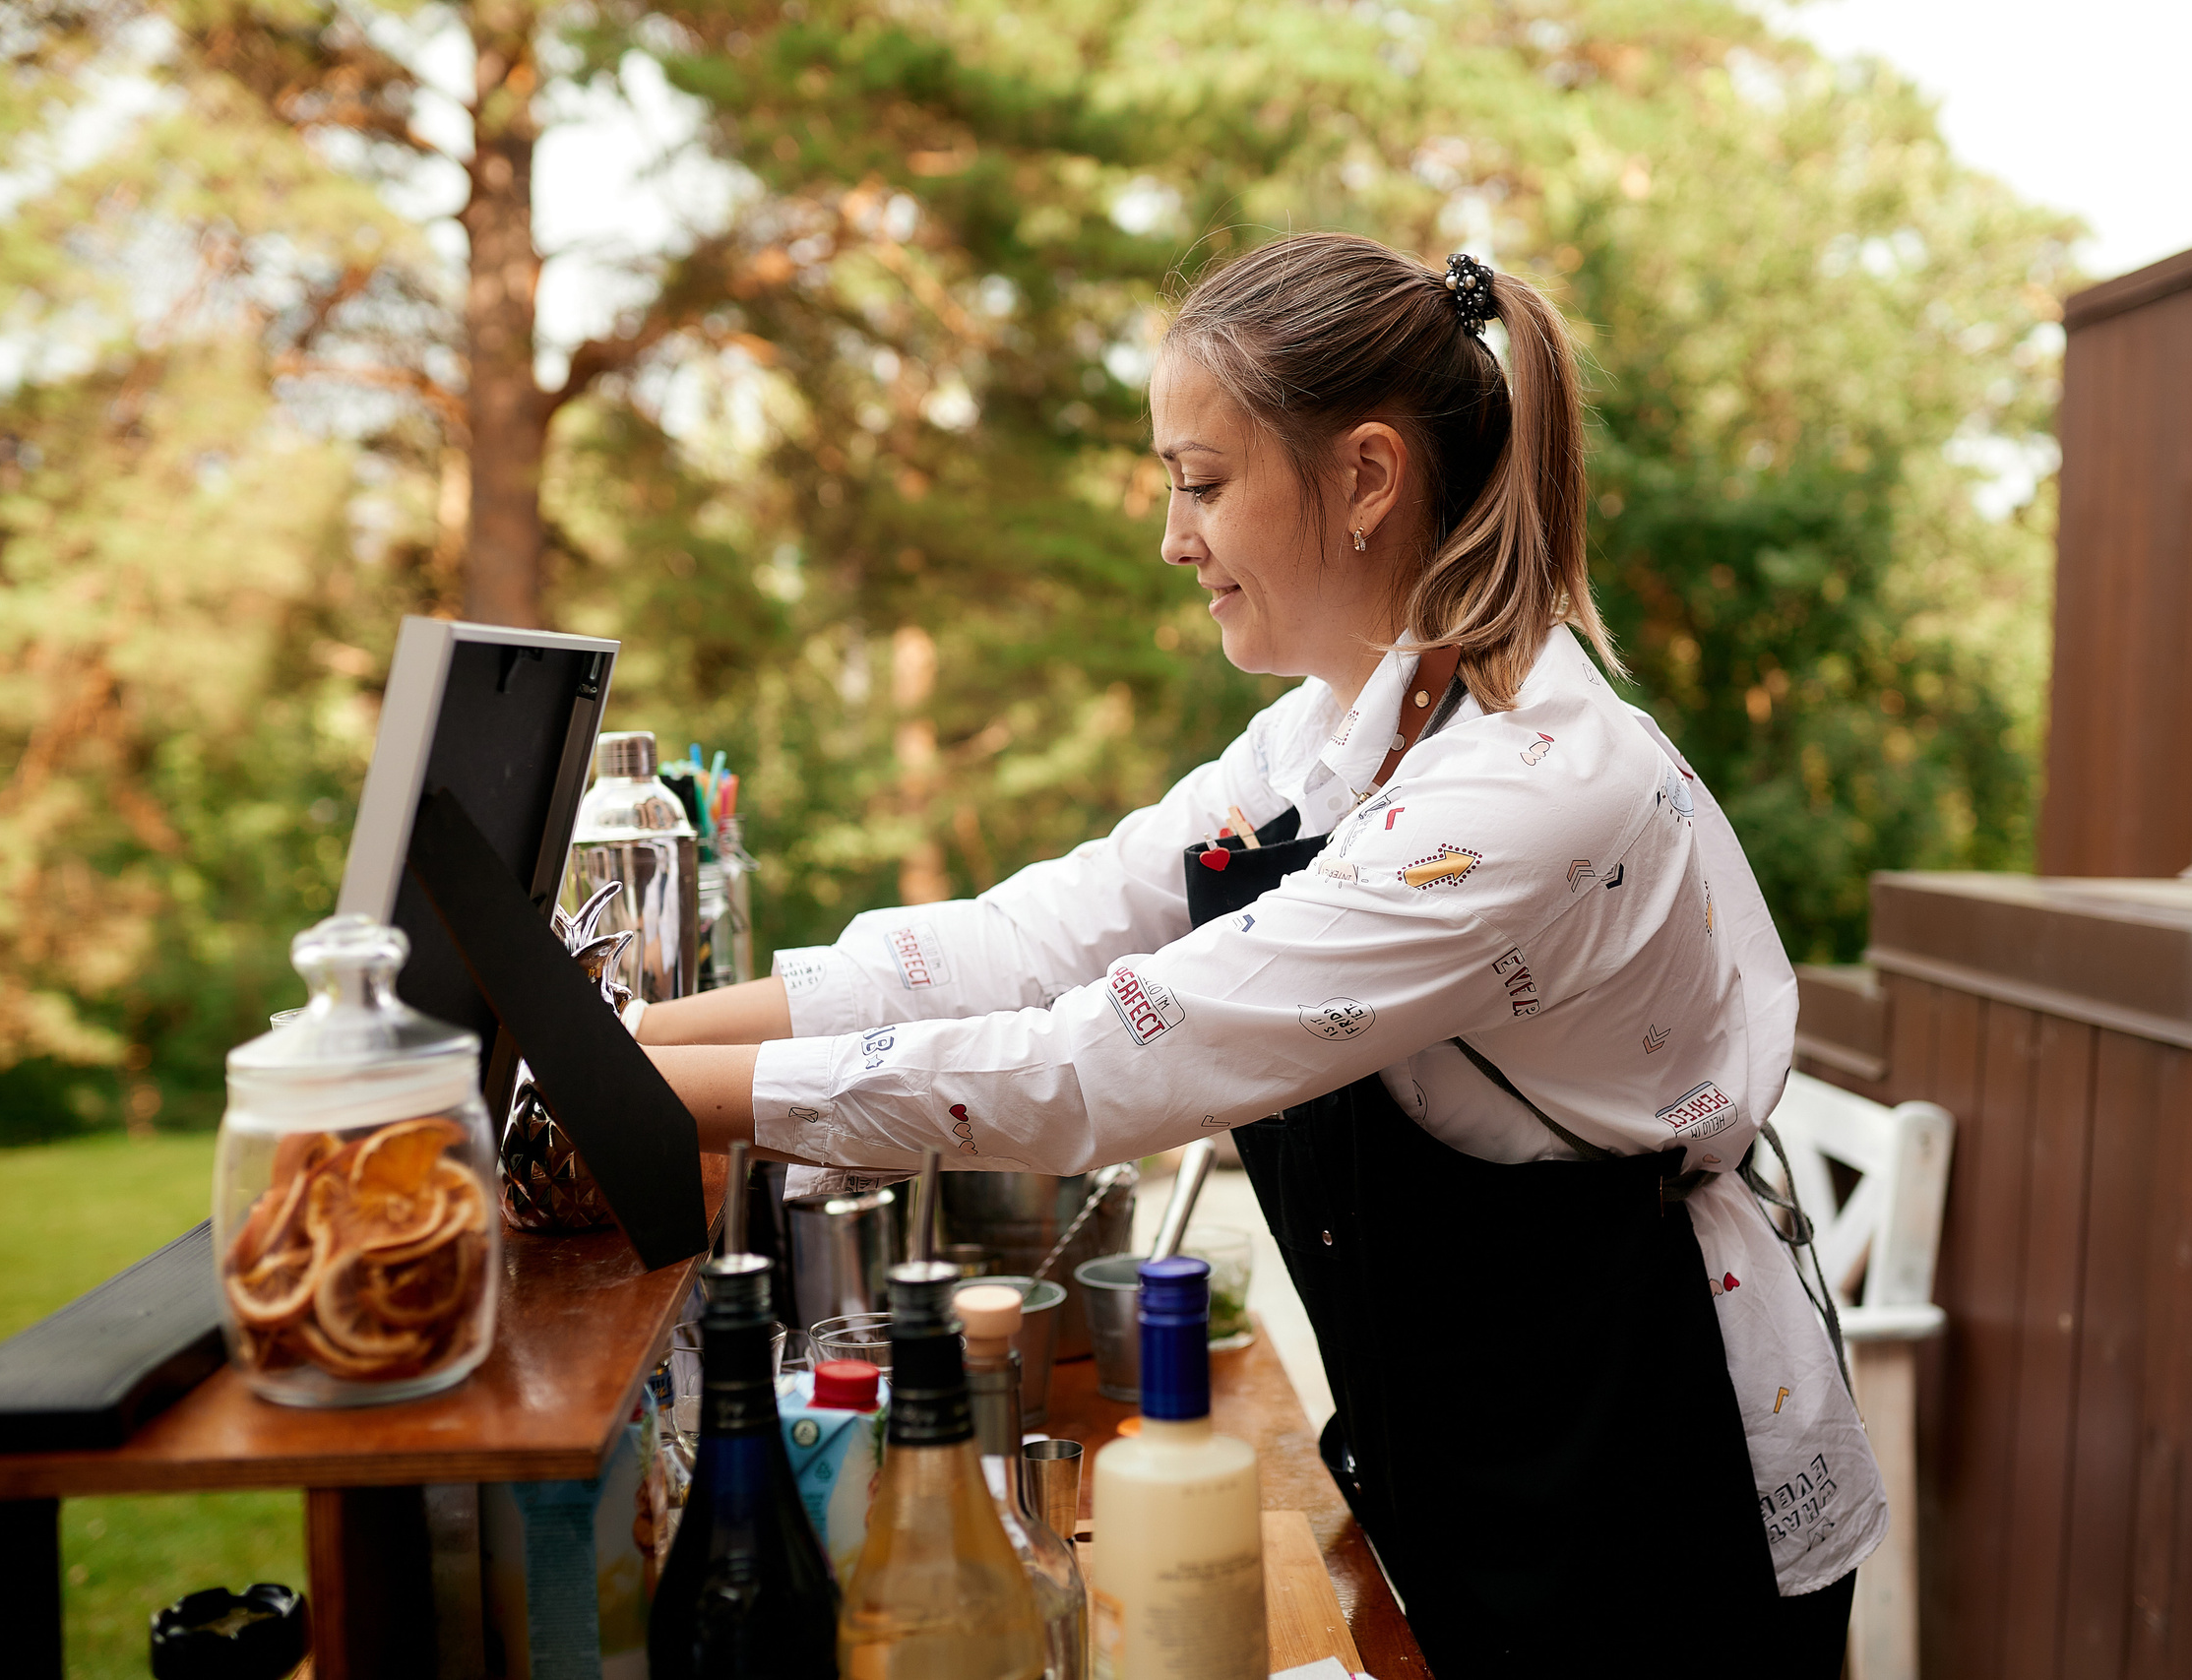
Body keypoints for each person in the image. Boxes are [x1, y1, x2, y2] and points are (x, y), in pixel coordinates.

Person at [639, 232, 1882, 1674]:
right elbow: (1036, 937)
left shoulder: (1517, 794)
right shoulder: (1341, 726)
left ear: (1362, 478)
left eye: (1204, 483)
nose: (1173, 538)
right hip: (1485, 1424)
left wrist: (647, 1099)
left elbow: (1100, 1061)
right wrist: (617, 1044)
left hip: (1639, 1477)